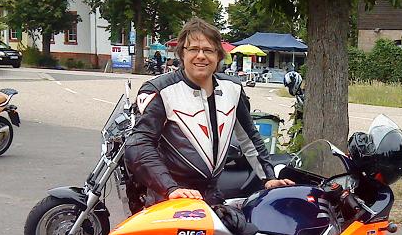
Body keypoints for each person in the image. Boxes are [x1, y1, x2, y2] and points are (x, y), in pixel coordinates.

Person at [125, 18, 293, 208]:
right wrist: (170, 188)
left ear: (218, 55)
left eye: (208, 50)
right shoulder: (160, 90)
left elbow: (249, 138)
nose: (201, 56)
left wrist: (269, 178)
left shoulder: (233, 88)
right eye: (193, 49)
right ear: (182, 53)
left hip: (212, 197)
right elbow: (138, 145)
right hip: (170, 200)